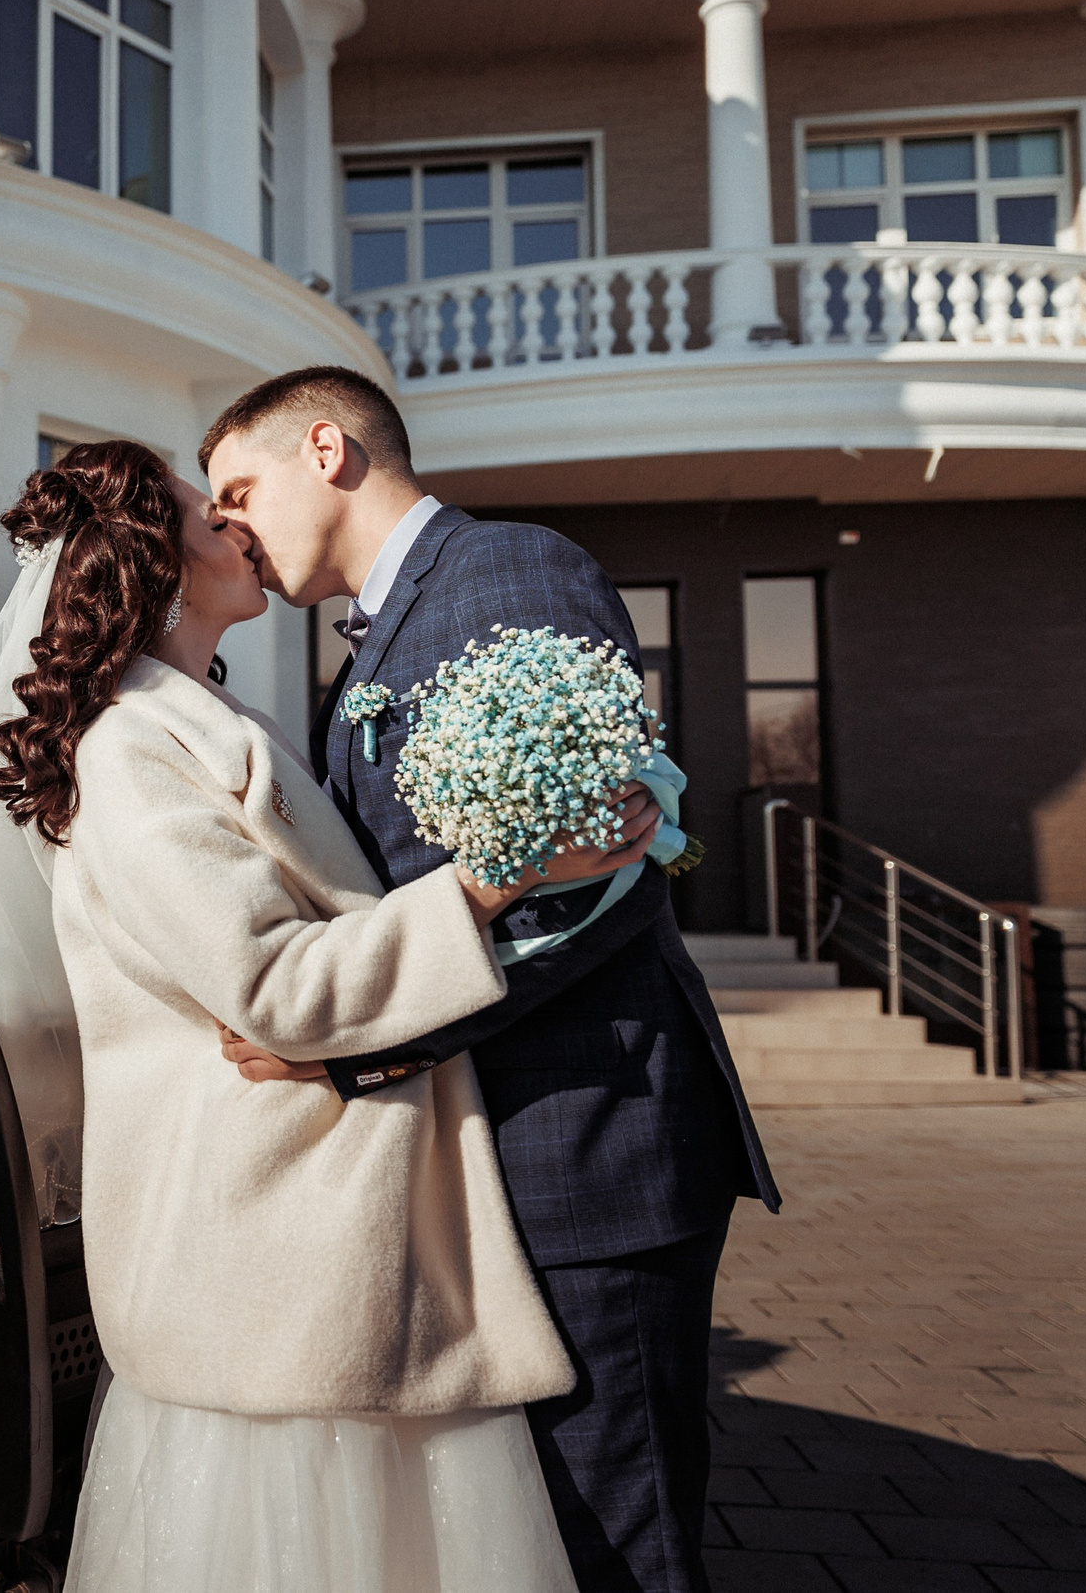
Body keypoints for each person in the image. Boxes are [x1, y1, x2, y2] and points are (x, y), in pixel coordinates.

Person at [0, 440, 658, 1593]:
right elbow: (275, 987)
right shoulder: (132, 747)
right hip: (275, 1238)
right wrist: (496, 879)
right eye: (207, 513)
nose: (236, 526)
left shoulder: (207, 714)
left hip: (322, 1224)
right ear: (153, 563)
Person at [200, 368, 783, 1593]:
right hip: (509, 1141)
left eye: (237, 488)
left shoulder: (508, 572)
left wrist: (347, 1047)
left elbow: (589, 878)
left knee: (616, 1542)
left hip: (586, 1140)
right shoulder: (377, 636)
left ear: (327, 449)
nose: (229, 526)